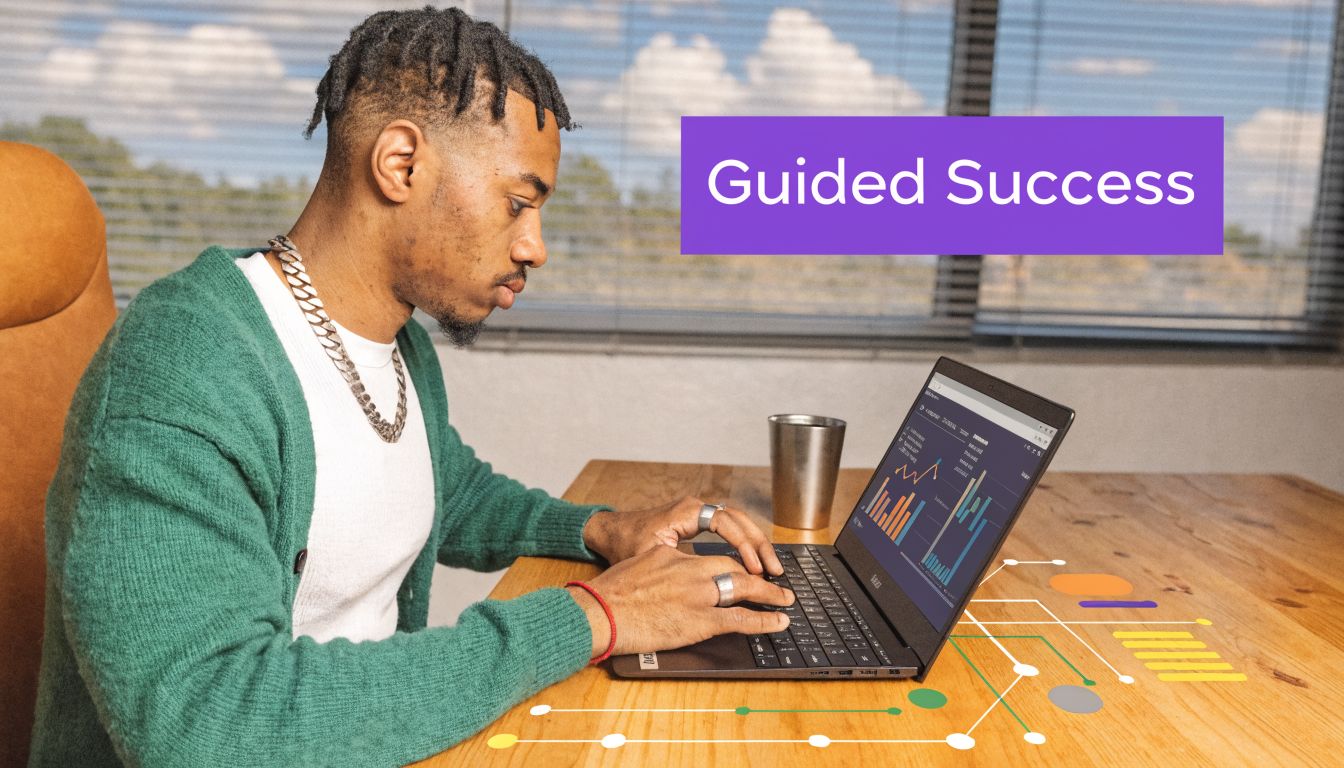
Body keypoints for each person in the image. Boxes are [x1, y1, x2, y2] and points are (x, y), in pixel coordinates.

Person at [27, 6, 795, 767]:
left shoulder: (395, 344)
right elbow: (206, 724)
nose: (536, 247)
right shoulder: (185, 368)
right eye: (519, 203)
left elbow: (438, 488)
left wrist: (597, 531)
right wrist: (595, 615)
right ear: (401, 163)